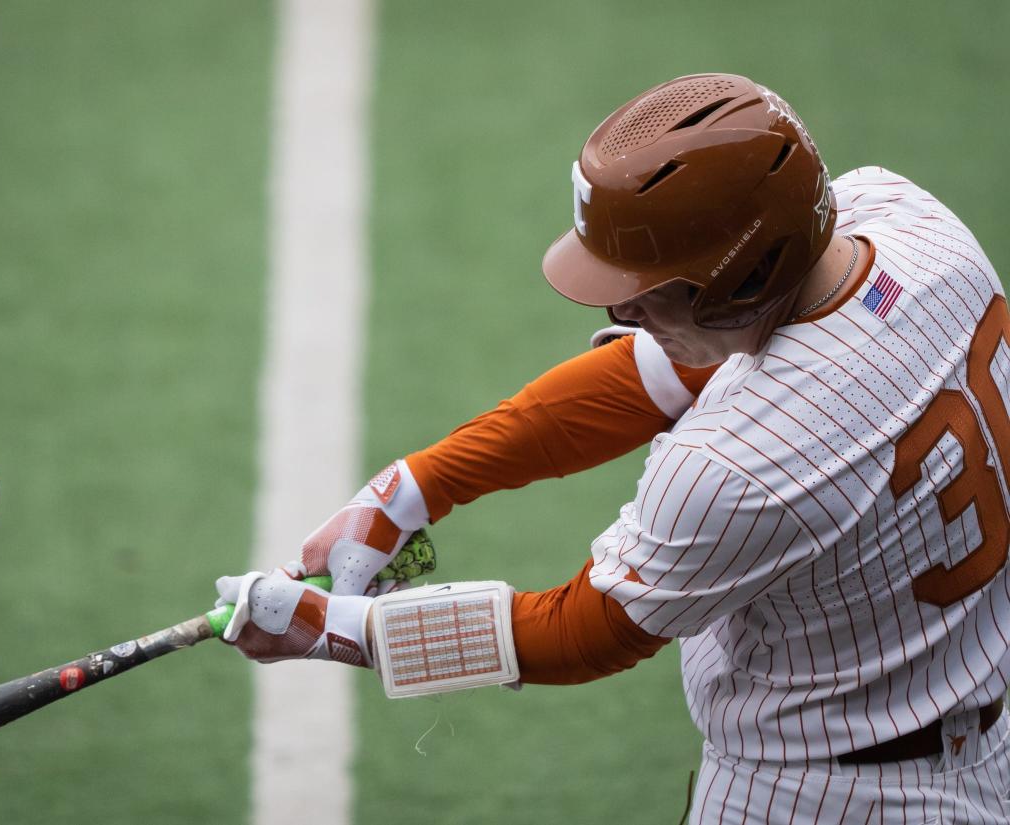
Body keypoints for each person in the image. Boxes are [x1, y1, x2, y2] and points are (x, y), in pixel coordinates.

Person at [215, 73, 1010, 822]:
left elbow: (583, 630)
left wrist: (334, 629)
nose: (623, 311)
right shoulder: (907, 224)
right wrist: (410, 487)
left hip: (826, 792)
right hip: (974, 727)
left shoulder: (736, 466)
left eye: (645, 290)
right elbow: (651, 377)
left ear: (739, 280)